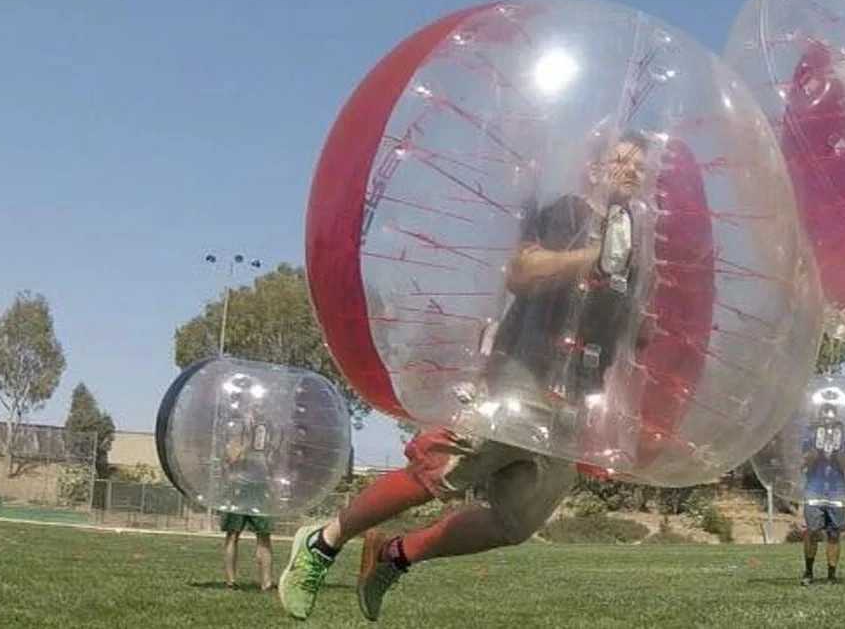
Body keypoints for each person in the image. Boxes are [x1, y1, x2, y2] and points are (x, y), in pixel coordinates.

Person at [278, 131, 649, 622]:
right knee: (441, 469)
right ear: (596, 165)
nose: (629, 170)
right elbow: (520, 271)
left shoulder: (635, 245)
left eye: (639, 165)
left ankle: (394, 555)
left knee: (516, 521)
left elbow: (622, 321)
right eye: (620, 159)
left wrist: (641, 329)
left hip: (573, 399)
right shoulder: (568, 212)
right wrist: (590, 257)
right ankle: (324, 542)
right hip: (518, 375)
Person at [799, 401, 845, 586]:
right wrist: (816, 450)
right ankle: (808, 572)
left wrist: (838, 450)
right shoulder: (809, 433)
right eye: (824, 413)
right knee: (812, 531)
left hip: (836, 490)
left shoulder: (844, 434)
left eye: (831, 413)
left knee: (833, 534)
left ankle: (831, 575)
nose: (827, 417)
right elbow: (804, 462)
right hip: (814, 488)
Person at [219, 414, 275, 591]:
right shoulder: (235, 433)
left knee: (264, 535)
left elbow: (271, 463)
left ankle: (266, 582)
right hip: (238, 489)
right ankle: (231, 581)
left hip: (260, 488)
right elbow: (232, 458)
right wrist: (248, 439)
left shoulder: (266, 435)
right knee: (233, 534)